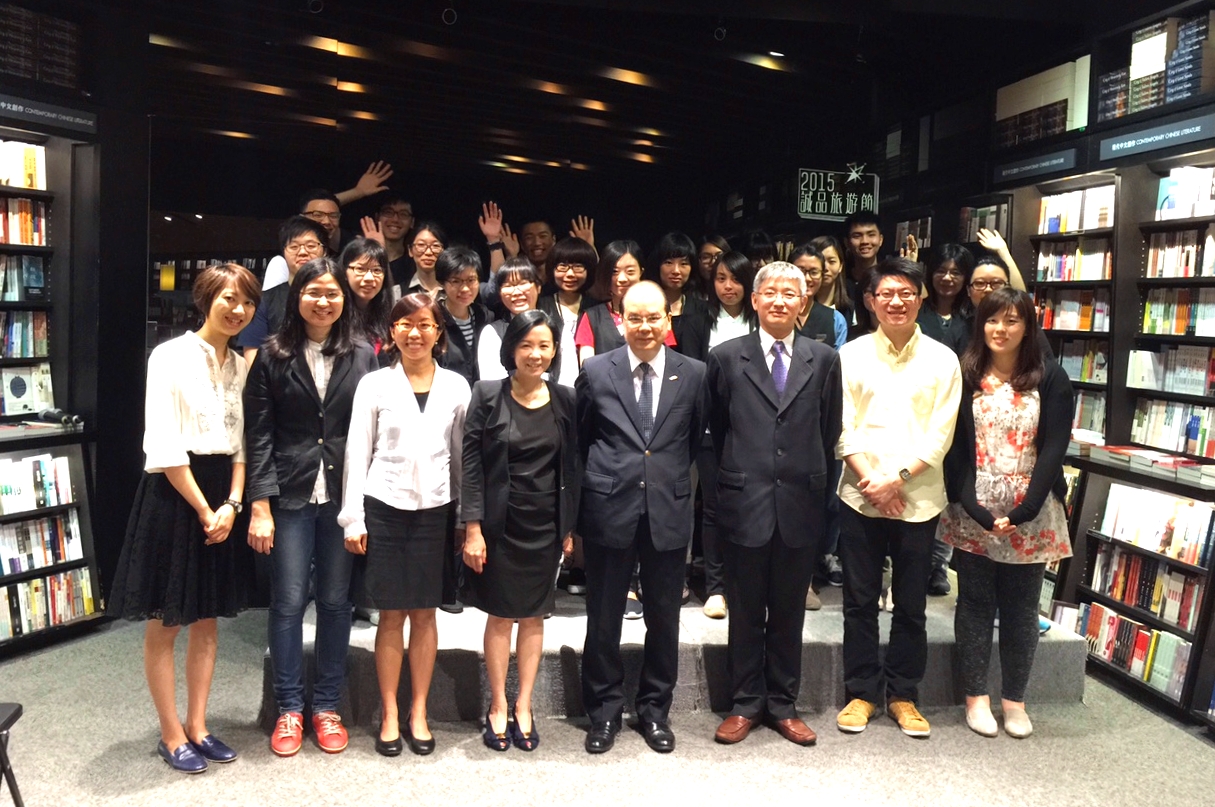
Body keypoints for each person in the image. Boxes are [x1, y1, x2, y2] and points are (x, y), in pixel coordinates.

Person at [108, 263, 261, 774]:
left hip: (223, 497)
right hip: (177, 495)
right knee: (166, 621)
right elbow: (165, 443)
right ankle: (171, 733)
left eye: (247, 301)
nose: (237, 309)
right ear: (204, 299)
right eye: (228, 298)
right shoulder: (168, 356)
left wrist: (233, 505)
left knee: (206, 618)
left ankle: (199, 725)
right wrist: (204, 508)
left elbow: (243, 445)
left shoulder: (241, 365)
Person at [244, 257, 379, 757]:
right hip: (291, 494)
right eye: (313, 292)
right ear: (296, 296)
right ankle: (288, 710)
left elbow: (373, 433)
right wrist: (259, 505)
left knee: (337, 601)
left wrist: (365, 503)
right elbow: (257, 437)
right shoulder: (272, 355)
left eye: (332, 293)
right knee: (287, 602)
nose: (323, 301)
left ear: (344, 299)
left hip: (345, 496)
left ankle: (325, 706)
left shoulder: (363, 354)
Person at [707, 261, 842, 747]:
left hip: (800, 502)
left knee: (788, 610)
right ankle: (745, 703)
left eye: (792, 293)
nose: (781, 300)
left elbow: (828, 431)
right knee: (744, 609)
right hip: (746, 500)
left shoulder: (823, 360)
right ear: (757, 300)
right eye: (772, 292)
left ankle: (783, 704)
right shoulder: (725, 357)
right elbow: (719, 430)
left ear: (803, 303)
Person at [577, 281, 708, 755]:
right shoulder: (595, 370)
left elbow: (693, 441)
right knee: (604, 617)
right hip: (609, 506)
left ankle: (655, 711)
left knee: (664, 618)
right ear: (620, 319)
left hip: (668, 510)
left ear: (667, 320)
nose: (646, 326)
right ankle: (604, 712)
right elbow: (583, 439)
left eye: (654, 317)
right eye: (636, 317)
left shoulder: (693, 373)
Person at [835, 257, 962, 739]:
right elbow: (842, 427)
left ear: (921, 297)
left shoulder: (943, 358)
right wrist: (874, 482)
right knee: (859, 602)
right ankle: (862, 693)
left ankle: (904, 695)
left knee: (911, 604)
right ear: (870, 301)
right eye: (886, 293)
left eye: (906, 292)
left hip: (919, 499)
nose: (896, 301)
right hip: (860, 495)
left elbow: (941, 433)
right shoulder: (850, 355)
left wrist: (899, 481)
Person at [938, 287, 1073, 739]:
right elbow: (953, 446)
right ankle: (976, 698)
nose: (1001, 329)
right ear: (981, 325)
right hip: (974, 504)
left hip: (1031, 508)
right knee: (974, 602)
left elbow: (1055, 446)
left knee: (1020, 608)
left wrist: (1027, 508)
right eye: (993, 320)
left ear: (1028, 327)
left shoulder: (1050, 376)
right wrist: (970, 505)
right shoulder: (965, 373)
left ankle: (1015, 699)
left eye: (1013, 321)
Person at [339, 293, 470, 757]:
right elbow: (357, 452)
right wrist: (353, 517)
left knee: (426, 613)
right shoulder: (373, 385)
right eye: (405, 324)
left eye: (424, 324)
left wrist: (464, 518)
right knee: (391, 613)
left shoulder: (457, 386)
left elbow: (461, 458)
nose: (415, 333)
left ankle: (419, 711)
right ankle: (391, 712)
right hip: (385, 506)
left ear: (439, 332)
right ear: (391, 332)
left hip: (437, 508)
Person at [461, 310, 579, 752]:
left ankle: (524, 705)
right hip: (498, 527)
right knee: (500, 615)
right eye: (527, 345)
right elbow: (471, 467)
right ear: (511, 348)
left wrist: (568, 527)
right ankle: (497, 704)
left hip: (545, 526)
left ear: (554, 350)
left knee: (534, 615)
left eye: (544, 345)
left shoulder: (566, 399)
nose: (535, 354)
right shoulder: (487, 394)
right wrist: (472, 528)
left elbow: (573, 468)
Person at [680, 250, 757, 619]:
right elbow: (694, 373)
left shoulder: (760, 319)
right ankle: (715, 588)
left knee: (747, 508)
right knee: (711, 507)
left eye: (737, 279)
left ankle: (746, 583)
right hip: (711, 427)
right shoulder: (698, 317)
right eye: (722, 278)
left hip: (755, 430)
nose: (729, 286)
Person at [262, 163, 394, 289]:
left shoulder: (347, 252)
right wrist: (357, 192)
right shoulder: (284, 262)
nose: (326, 221)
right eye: (317, 214)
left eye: (333, 216)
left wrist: (378, 253)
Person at [239, 216, 329, 364]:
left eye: (311, 246)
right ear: (284, 252)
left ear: (324, 251)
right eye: (294, 247)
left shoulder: (338, 297)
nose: (302, 252)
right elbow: (253, 353)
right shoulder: (264, 300)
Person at [575, 240, 676, 368]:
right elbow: (587, 368)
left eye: (630, 272)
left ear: (641, 272)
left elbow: (669, 359)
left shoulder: (658, 312)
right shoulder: (592, 317)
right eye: (614, 272)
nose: (621, 279)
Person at [538, 236, 599, 387]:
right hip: (548, 391)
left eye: (578, 267)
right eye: (562, 267)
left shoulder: (597, 309)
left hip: (590, 391)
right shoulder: (540, 306)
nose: (570, 274)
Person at [435, 246, 495, 386]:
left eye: (471, 280)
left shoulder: (486, 317)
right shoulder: (433, 318)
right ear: (442, 283)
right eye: (456, 281)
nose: (465, 288)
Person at [478, 259, 542, 381]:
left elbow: (567, 380)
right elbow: (492, 383)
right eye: (508, 286)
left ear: (538, 287)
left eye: (523, 283)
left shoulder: (558, 327)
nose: (516, 292)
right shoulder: (491, 332)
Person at [646, 232, 707, 353]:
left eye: (684, 263)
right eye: (668, 262)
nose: (676, 271)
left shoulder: (703, 310)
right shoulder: (645, 307)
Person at [918, 243, 975, 357]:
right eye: (940, 271)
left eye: (955, 273)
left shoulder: (974, 314)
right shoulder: (916, 311)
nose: (947, 278)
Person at [339, 237, 393, 355]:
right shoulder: (334, 317)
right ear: (344, 271)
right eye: (360, 269)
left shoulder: (391, 318)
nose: (369, 278)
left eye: (377, 270)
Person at [790, 243, 847, 350]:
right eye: (801, 271)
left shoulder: (835, 319)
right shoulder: (776, 312)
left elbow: (837, 362)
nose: (807, 278)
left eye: (814, 272)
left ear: (822, 275)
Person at [359, 191, 415, 298]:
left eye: (403, 214)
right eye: (388, 212)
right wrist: (374, 250)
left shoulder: (414, 262)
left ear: (412, 222)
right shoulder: (358, 255)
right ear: (377, 217)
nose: (395, 219)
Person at [403, 221, 446, 297]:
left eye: (435, 246)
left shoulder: (453, 290)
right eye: (421, 245)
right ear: (410, 250)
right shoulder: (397, 292)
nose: (428, 252)